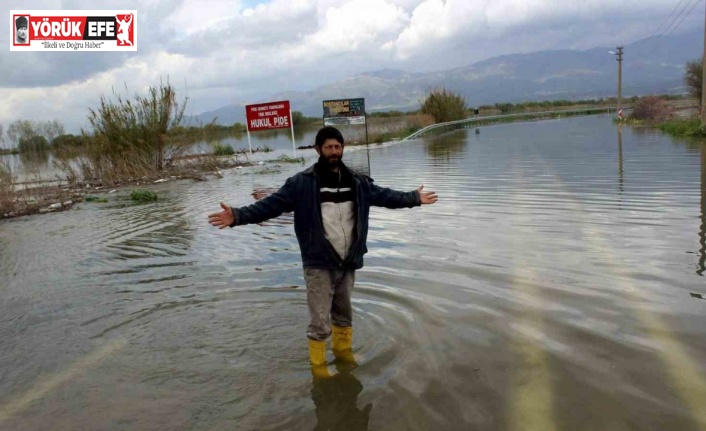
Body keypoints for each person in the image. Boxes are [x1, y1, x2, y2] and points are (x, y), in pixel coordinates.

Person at [208, 126, 438, 374]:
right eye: (328, 147)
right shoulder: (301, 184)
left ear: (343, 149)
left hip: (347, 260)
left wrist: (414, 198)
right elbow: (269, 206)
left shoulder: (357, 182)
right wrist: (238, 216)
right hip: (319, 262)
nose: (333, 151)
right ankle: (319, 371)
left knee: (344, 316)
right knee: (320, 323)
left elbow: (386, 196)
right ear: (318, 149)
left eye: (337, 147)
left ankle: (344, 356)